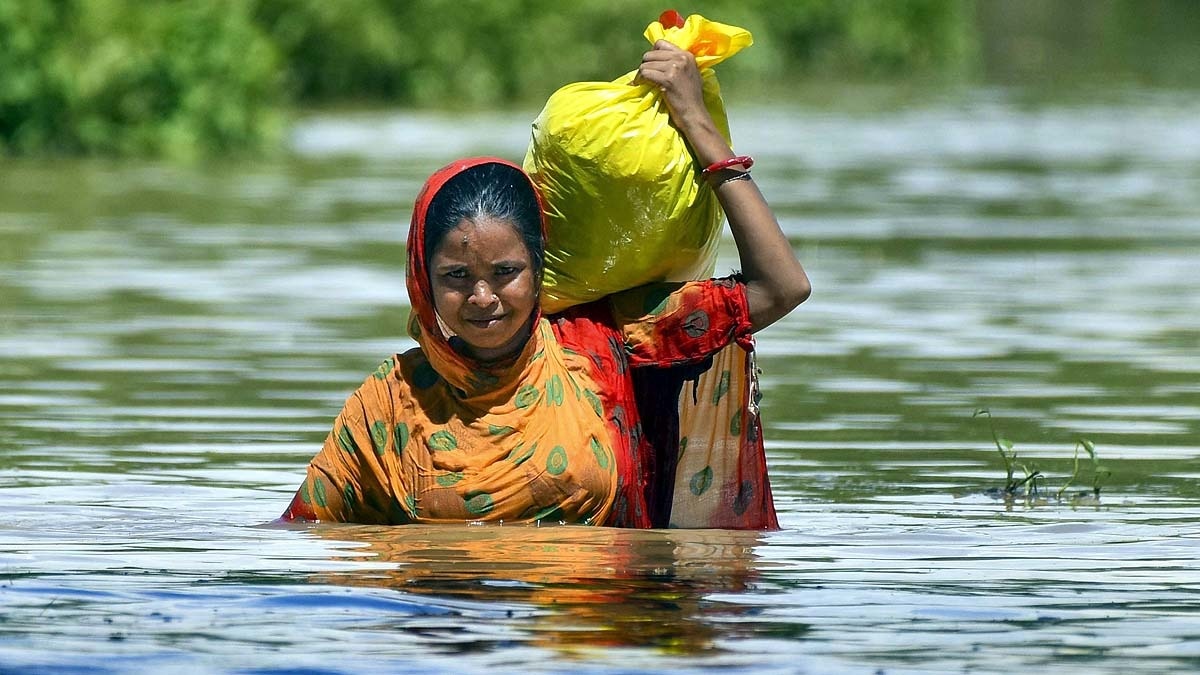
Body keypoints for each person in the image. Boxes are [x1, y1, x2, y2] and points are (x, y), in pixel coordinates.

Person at [279, 41, 810, 528]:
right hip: (449, 625)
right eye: (456, 277)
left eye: (505, 273)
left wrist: (697, 124)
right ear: (424, 279)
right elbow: (305, 532)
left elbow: (782, 286)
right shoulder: (391, 401)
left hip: (604, 625)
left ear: (539, 268)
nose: (482, 298)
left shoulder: (609, 342)